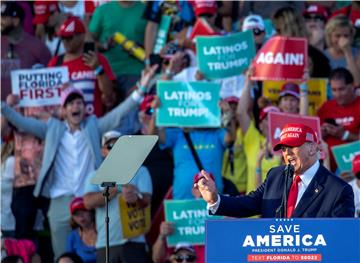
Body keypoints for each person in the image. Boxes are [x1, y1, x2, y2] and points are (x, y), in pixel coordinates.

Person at [1, 68, 153, 259]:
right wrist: (4, 107)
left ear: (85, 107)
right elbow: (23, 122)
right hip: (59, 200)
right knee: (61, 255)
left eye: (80, 102)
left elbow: (118, 114)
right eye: (71, 103)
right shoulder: (52, 129)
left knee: (95, 251)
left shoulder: (93, 126)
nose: (76, 106)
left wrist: (141, 90)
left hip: (89, 198)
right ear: (64, 110)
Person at [195, 123, 355, 218]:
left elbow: (340, 241)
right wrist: (214, 199)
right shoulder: (276, 175)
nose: (287, 153)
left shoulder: (339, 190)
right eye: (284, 149)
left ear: (312, 148)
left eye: (293, 147)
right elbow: (249, 203)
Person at [83, 130, 153, 263]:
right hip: (106, 243)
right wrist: (115, 190)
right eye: (110, 146)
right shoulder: (94, 175)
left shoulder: (141, 171)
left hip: (134, 242)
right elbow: (87, 202)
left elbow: (147, 202)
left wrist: (136, 196)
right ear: (103, 151)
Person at [48, 16, 116, 117]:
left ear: (82, 36)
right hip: (64, 123)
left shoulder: (97, 59)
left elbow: (109, 95)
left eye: (69, 38)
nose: (65, 42)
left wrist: (98, 69)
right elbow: (47, 97)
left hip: (92, 122)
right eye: (63, 38)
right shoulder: (55, 62)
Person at [1, 1, 51, 100]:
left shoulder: (38, 47)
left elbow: (50, 82)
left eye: (3, 18)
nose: (0, 22)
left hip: (27, 112)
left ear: (16, 21)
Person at [317, 67, 360, 172]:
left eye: (341, 89)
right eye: (334, 90)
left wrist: (344, 135)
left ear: (352, 86)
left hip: (353, 168)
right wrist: (321, 133)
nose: (338, 94)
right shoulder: (326, 107)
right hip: (327, 166)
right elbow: (315, 139)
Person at [323, 15, 360, 86]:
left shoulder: (358, 54)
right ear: (330, 36)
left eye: (346, 36)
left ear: (351, 37)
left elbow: (356, 83)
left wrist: (348, 53)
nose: (342, 40)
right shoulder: (322, 56)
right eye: (337, 36)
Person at [66, 197, 96, 263]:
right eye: (76, 214)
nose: (81, 216)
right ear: (73, 218)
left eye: (84, 211)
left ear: (91, 211)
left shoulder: (103, 229)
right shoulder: (72, 237)